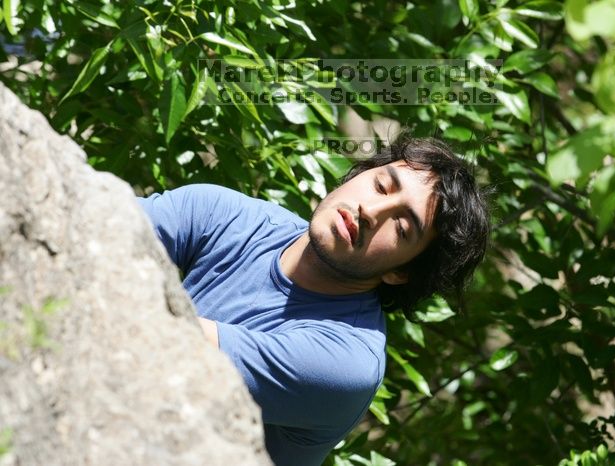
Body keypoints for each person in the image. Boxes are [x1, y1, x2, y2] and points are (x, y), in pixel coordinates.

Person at [137, 135, 490, 466]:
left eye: (400, 228)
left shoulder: (345, 364)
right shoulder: (225, 216)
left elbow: (164, 343)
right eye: (381, 185)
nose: (372, 210)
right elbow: (90, 226)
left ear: (400, 274)